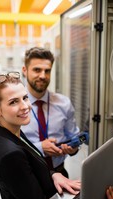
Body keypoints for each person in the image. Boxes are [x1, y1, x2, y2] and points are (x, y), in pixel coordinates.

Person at [0, 72, 113, 199]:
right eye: (14, 102)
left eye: (24, 98)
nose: (25, 106)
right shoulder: (9, 153)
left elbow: (30, 168)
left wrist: (54, 174)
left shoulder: (12, 132)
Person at [21, 47, 82, 177]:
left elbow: (73, 137)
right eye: (37, 70)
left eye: (47, 71)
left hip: (60, 172)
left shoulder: (64, 103)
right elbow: (9, 146)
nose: (43, 76)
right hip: (28, 176)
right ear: (25, 71)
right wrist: (40, 147)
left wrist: (73, 148)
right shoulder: (14, 106)